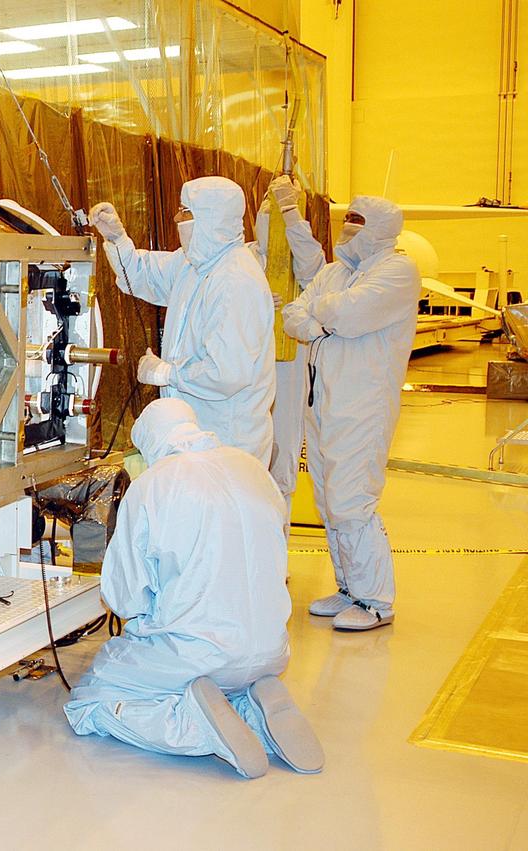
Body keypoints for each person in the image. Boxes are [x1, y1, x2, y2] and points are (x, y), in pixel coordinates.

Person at [63, 398, 323, 779]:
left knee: (90, 699)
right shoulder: (251, 468)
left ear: (150, 443)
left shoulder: (155, 484)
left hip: (197, 653)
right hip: (272, 648)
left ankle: (196, 728)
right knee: (216, 677)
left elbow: (125, 598)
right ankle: (251, 706)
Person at [282, 196, 420, 631]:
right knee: (327, 498)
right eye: (348, 220)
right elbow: (292, 315)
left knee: (352, 499)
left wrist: (322, 313)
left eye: (359, 222)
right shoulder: (338, 271)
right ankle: (349, 589)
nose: (349, 227)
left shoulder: (398, 270)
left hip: (364, 404)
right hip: (323, 401)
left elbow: (351, 313)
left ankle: (376, 600)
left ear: (381, 227)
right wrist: (324, 315)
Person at [90, 177, 276, 465]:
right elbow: (143, 274)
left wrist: (167, 374)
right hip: (194, 437)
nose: (177, 220)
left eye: (185, 213)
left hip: (227, 441)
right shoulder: (193, 264)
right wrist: (117, 239)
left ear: (211, 218)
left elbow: (226, 373)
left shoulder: (236, 281)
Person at [249, 175, 327, 511]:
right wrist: (256, 300)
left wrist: (291, 212)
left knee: (282, 455)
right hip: (250, 366)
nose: (272, 216)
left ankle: (277, 545)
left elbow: (313, 263)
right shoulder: (248, 257)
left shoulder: (306, 269)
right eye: (267, 205)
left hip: (289, 367)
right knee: (250, 454)